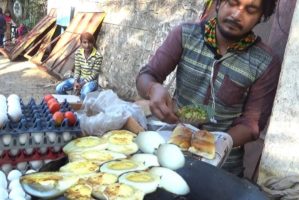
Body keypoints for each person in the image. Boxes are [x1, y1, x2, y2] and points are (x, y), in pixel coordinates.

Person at [136, 0, 281, 177]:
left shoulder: (265, 62)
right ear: (219, 3)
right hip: (172, 150)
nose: (236, 14)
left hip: (223, 165)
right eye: (232, 3)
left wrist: (216, 144)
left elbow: (252, 125)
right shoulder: (185, 34)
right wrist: (153, 89)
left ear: (261, 17)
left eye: (250, 10)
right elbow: (147, 74)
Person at [56, 32, 103, 100]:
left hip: (91, 82)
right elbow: (77, 69)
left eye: (90, 43)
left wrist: (81, 84)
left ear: (93, 43)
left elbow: (94, 75)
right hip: (79, 79)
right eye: (84, 42)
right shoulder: (78, 53)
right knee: (59, 88)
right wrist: (75, 81)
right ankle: (70, 103)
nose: (87, 45)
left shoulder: (98, 56)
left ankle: (79, 106)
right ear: (81, 43)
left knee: (84, 94)